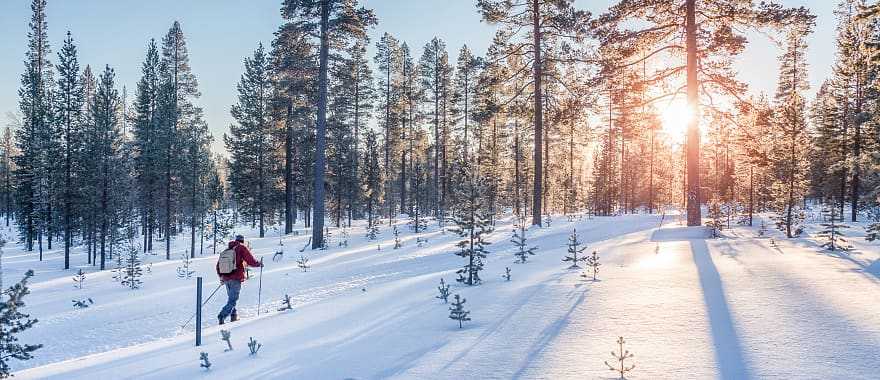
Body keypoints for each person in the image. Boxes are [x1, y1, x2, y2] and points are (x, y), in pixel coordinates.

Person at [216, 234, 262, 325]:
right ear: (242, 241)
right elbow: (250, 260)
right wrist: (259, 264)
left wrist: (221, 277)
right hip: (235, 278)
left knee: (231, 298)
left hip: (226, 279)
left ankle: (234, 316)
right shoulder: (241, 248)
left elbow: (218, 266)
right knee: (233, 300)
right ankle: (222, 315)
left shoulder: (227, 250)